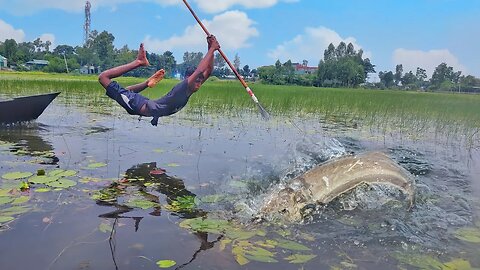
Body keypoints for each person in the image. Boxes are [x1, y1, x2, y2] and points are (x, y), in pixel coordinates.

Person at [98, 35, 220, 126]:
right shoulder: (183, 87)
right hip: (137, 106)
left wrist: (210, 47)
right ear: (187, 78)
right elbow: (200, 70)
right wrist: (212, 49)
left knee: (126, 91)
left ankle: (147, 82)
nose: (199, 83)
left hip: (143, 105)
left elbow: (207, 71)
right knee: (103, 78)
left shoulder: (192, 88)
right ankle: (139, 62)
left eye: (200, 81)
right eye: (196, 80)